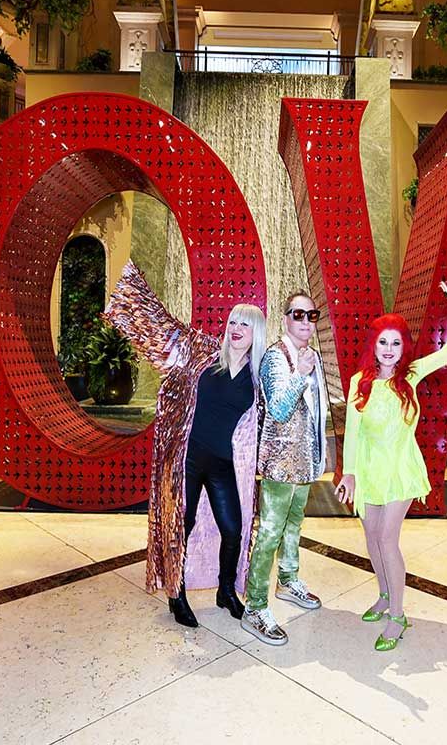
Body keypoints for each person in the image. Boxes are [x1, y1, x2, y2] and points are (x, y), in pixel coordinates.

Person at [105, 262, 266, 628]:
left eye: (245, 324)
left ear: (256, 332)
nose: (236, 329)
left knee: (234, 530)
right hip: (187, 461)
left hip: (222, 465)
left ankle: (226, 591)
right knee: (182, 525)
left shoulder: (256, 377)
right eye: (233, 322)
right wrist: (131, 296)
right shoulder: (203, 353)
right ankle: (176, 595)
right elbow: (164, 331)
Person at [337, 280, 447, 651]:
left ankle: (397, 615)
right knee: (371, 537)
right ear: (374, 344)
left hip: (399, 466)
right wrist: (350, 473)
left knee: (386, 538)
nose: (389, 349)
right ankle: (384, 595)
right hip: (368, 469)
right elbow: (353, 433)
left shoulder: (410, 375)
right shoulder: (359, 382)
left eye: (396, 343)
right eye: (383, 342)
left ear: (403, 347)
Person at [241, 290, 327, 646]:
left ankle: (288, 580)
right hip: (279, 462)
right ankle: (254, 606)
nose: (306, 322)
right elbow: (277, 409)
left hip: (304, 460)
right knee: (270, 533)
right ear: (285, 319)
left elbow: (317, 412)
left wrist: (319, 455)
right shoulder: (276, 357)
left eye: (311, 315)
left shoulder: (312, 355)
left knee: (294, 525)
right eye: (298, 314)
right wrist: (301, 374)